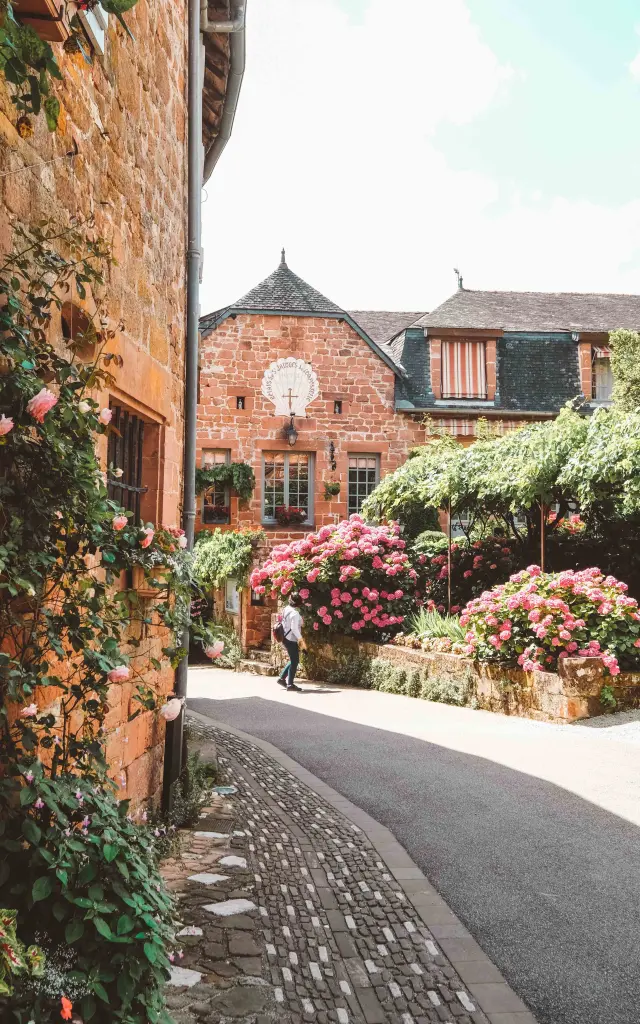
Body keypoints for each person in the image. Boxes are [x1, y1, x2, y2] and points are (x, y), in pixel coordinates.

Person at [277, 592, 303, 691]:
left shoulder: (286, 609)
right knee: (295, 661)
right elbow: (294, 629)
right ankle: (290, 684)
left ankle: (282, 678)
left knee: (293, 659)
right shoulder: (294, 613)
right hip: (291, 639)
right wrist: (301, 640)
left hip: (284, 637)